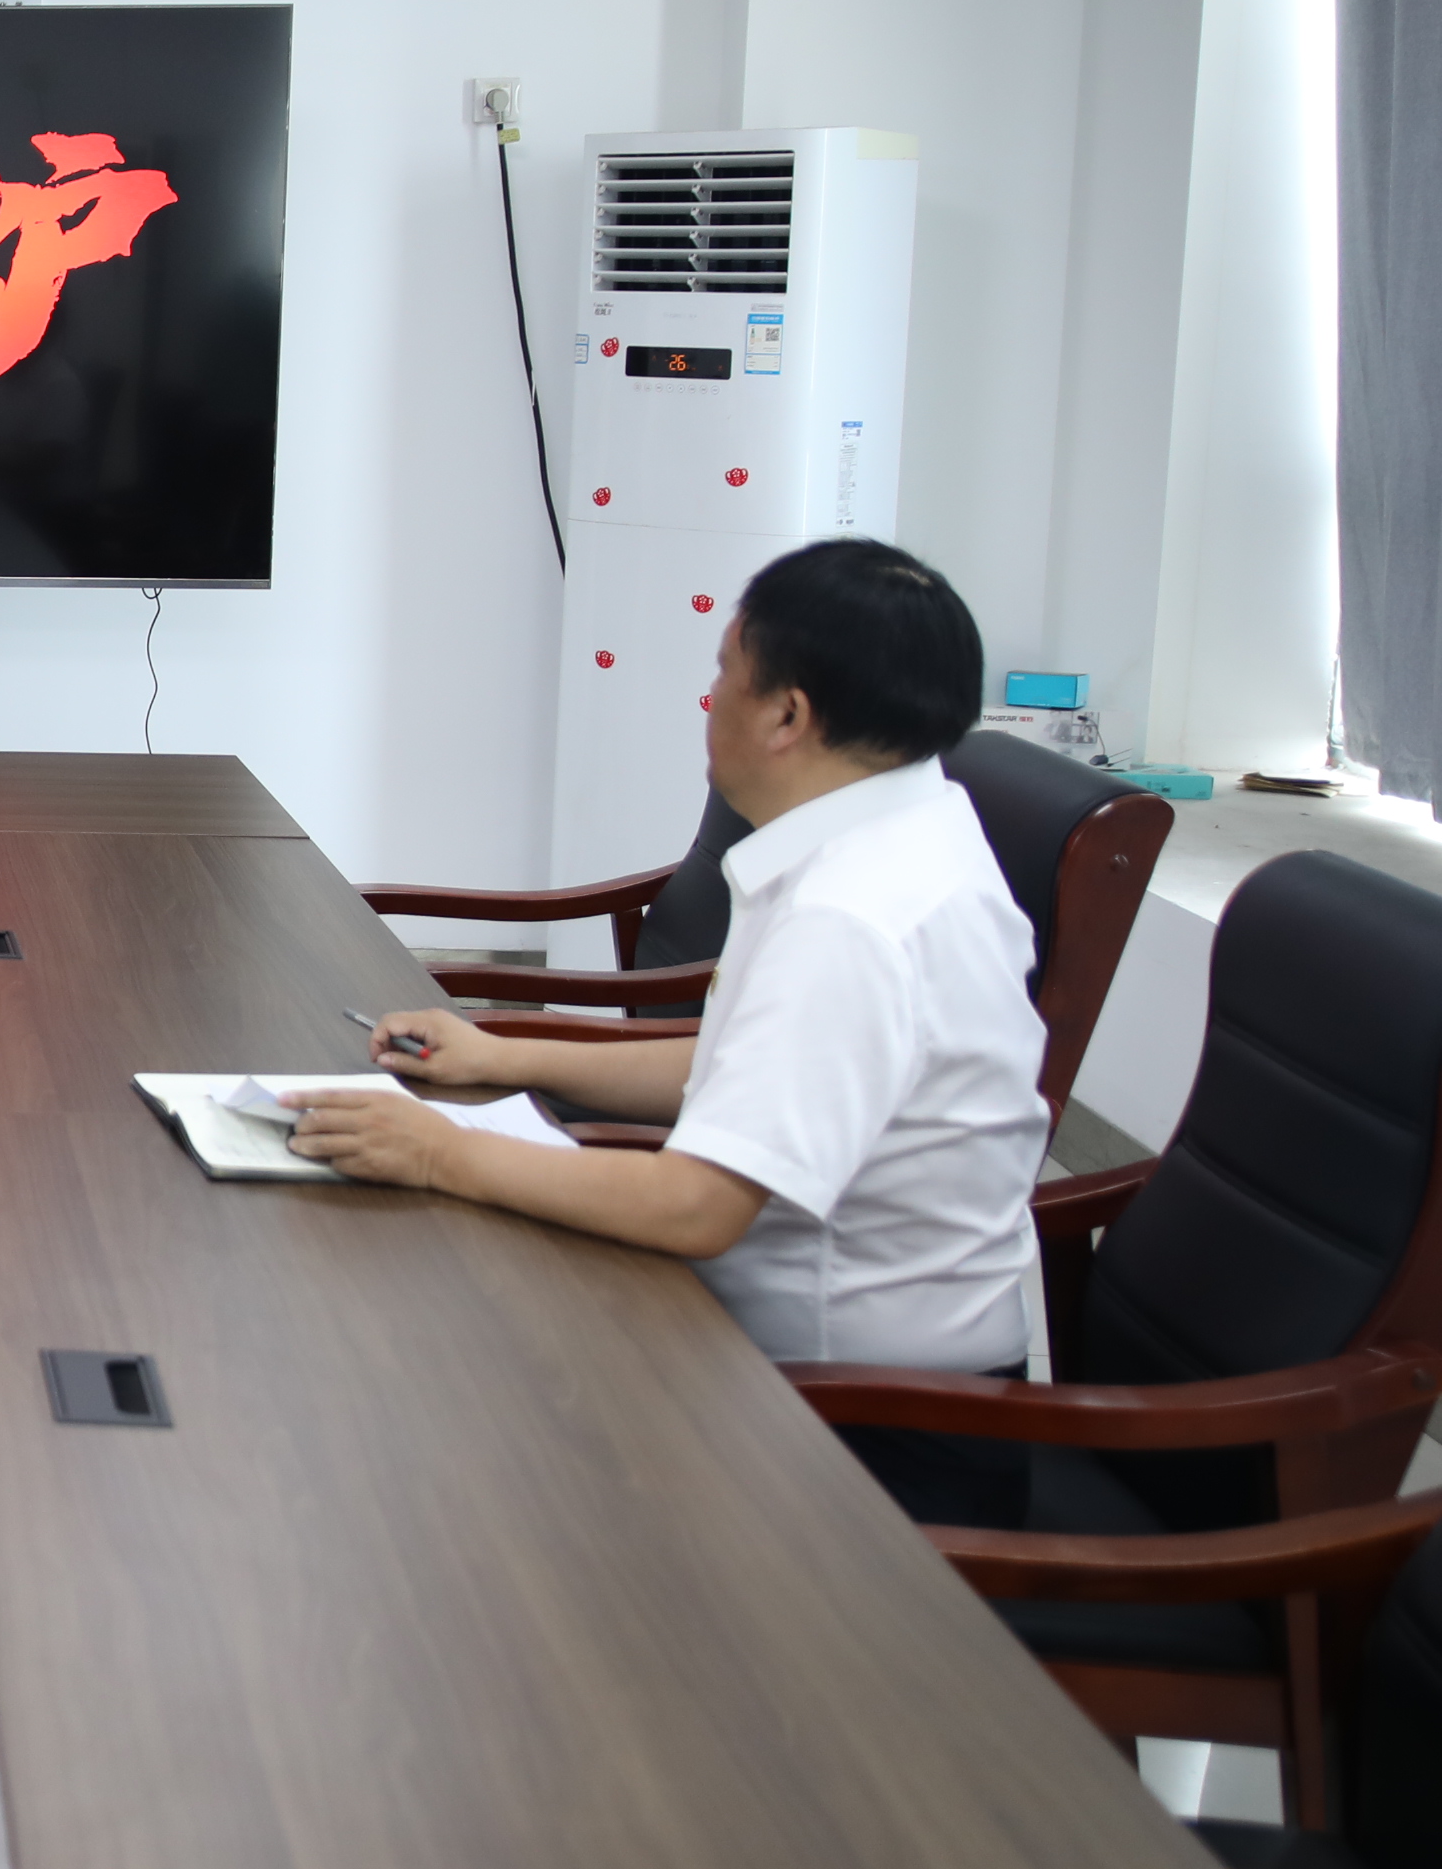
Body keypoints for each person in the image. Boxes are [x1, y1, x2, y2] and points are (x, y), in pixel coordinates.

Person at [289, 540, 1045, 1503]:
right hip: (823, 1373)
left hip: (862, 1436)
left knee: (429, 1417)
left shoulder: (852, 917)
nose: (709, 700)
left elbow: (696, 1207)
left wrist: (441, 1153)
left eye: (724, 672)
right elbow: (743, 1065)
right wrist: (504, 1054)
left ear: (786, 715)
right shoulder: (904, 832)